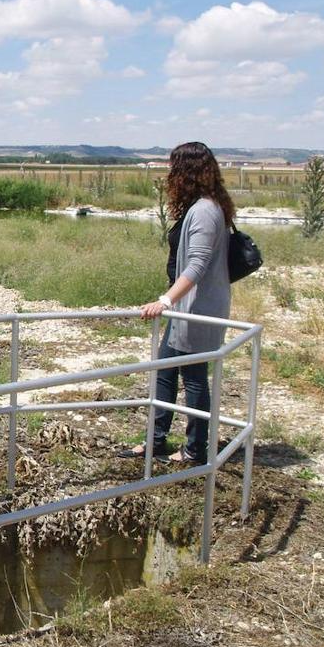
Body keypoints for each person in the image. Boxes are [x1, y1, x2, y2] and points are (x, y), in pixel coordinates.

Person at [119, 141, 234, 464]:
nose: (170, 174)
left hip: (197, 310)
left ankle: (196, 449)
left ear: (187, 171)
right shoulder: (205, 206)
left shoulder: (204, 211)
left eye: (174, 167)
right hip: (188, 309)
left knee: (194, 377)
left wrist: (165, 301)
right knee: (165, 372)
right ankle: (156, 441)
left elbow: (196, 265)